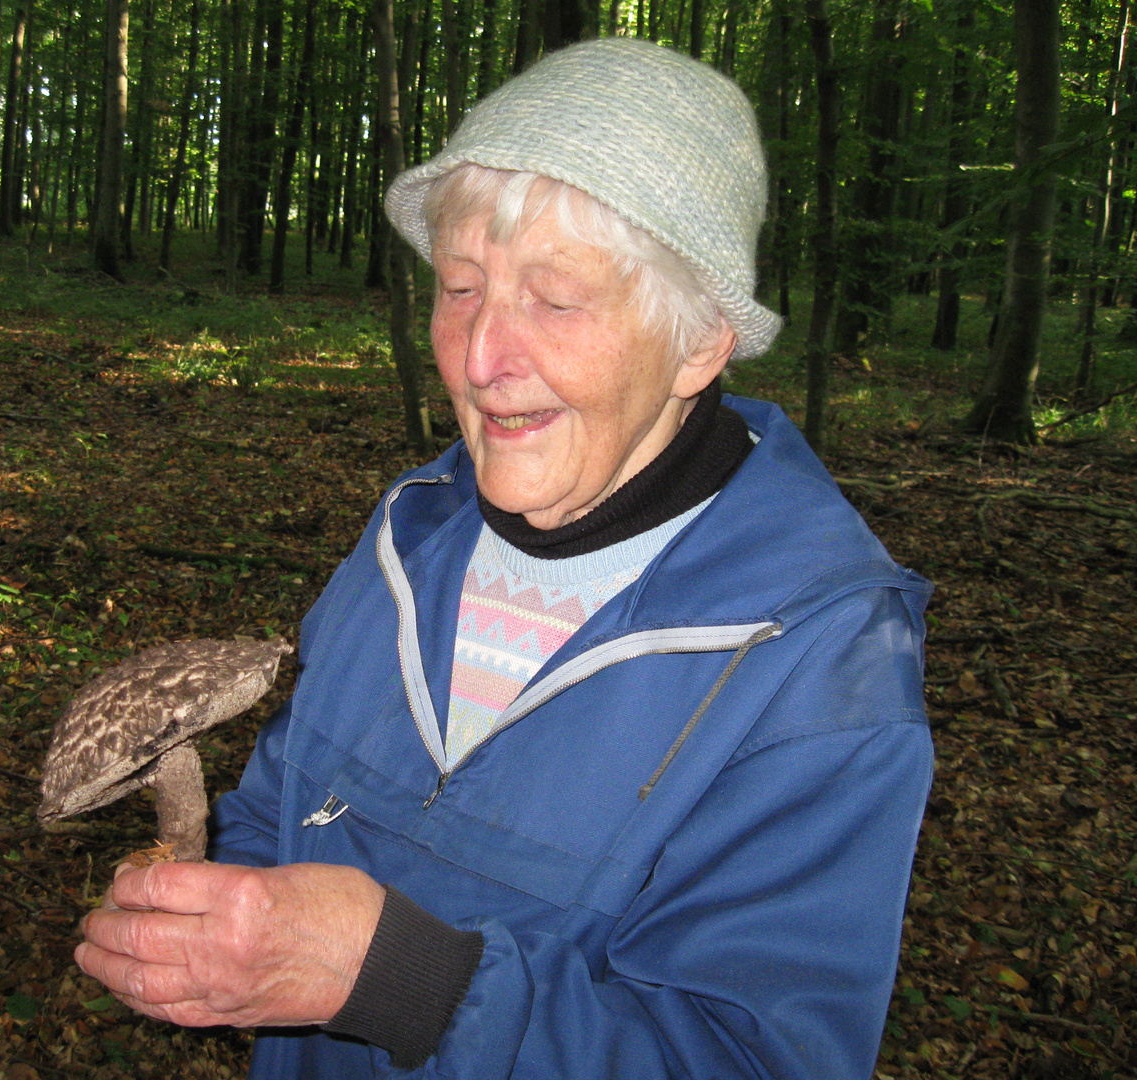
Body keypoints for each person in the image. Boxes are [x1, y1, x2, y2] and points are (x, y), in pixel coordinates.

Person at [75, 39, 933, 1079]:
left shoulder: (814, 656)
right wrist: (221, 913)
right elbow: (277, 806)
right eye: (462, 287)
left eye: (557, 299)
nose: (482, 359)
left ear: (701, 339)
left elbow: (750, 1059)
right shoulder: (410, 532)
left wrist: (401, 978)